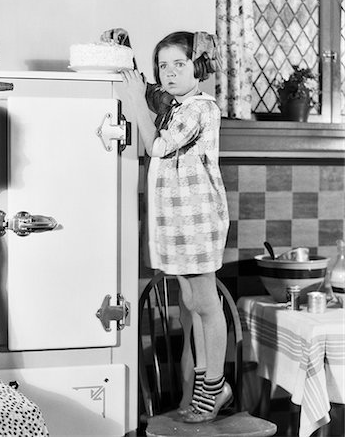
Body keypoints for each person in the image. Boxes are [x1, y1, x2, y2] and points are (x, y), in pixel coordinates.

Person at [102, 28, 231, 423]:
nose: (170, 72)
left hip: (198, 220)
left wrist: (135, 100)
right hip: (179, 223)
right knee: (192, 303)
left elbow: (158, 143)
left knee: (206, 305)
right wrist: (128, 55)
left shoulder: (201, 108)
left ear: (199, 66)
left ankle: (216, 386)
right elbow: (147, 93)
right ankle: (210, 387)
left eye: (180, 63)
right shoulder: (175, 104)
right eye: (164, 66)